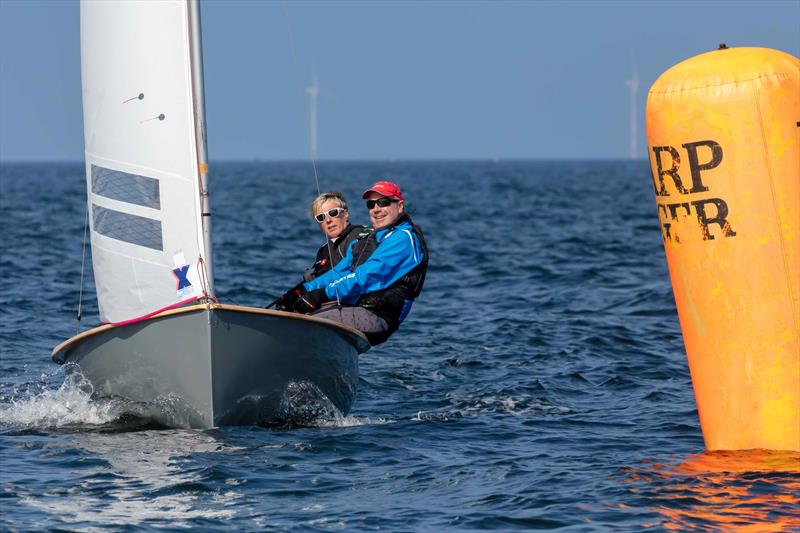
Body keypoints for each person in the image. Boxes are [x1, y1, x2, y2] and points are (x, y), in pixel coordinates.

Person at [276, 180, 428, 345]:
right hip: (357, 308)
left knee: (304, 324)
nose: (376, 209)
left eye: (383, 202)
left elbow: (364, 277)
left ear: (399, 206)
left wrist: (320, 295)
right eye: (371, 204)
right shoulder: (371, 237)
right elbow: (339, 272)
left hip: (378, 317)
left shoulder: (403, 239)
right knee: (292, 316)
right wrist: (301, 291)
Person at [303, 191, 363, 281]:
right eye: (321, 217)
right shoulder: (323, 251)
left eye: (333, 213)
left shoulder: (360, 237)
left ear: (345, 214)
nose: (328, 220)